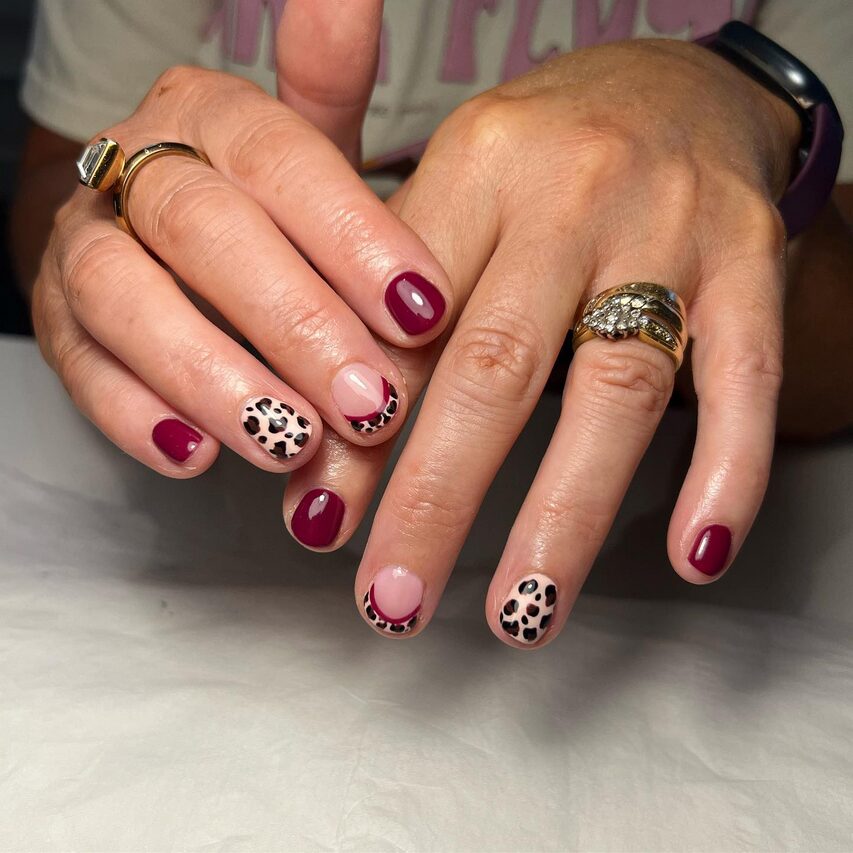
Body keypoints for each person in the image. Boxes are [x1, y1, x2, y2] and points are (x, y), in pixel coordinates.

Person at [10, 0, 853, 647]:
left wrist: (741, 108)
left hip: (693, 602)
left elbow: (833, 376)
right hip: (187, 580)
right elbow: (56, 179)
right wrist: (126, 223)